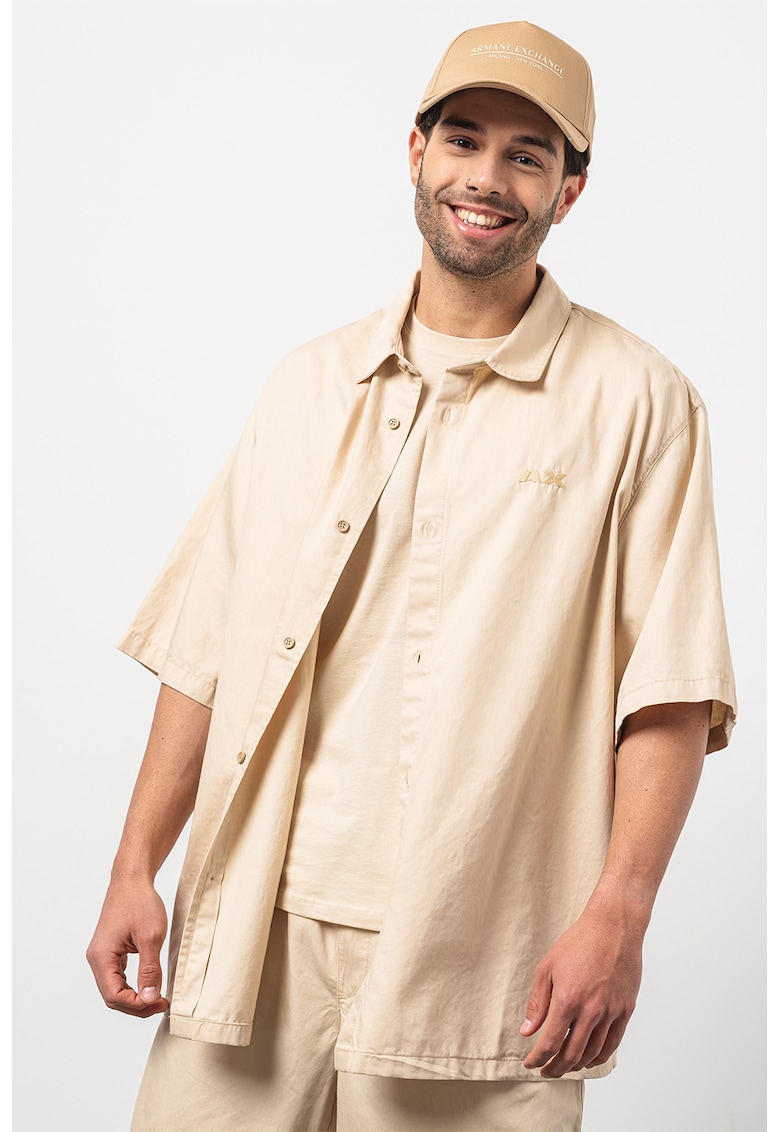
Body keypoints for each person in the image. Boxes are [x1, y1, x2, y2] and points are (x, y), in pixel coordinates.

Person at [87, 19, 737, 1132]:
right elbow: (206, 647)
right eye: (464, 140)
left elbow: (669, 692)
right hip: (260, 929)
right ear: (416, 152)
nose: (486, 178)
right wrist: (135, 863)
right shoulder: (309, 384)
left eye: (527, 155)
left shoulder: (640, 403)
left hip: (490, 950)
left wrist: (619, 918)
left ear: (570, 190)